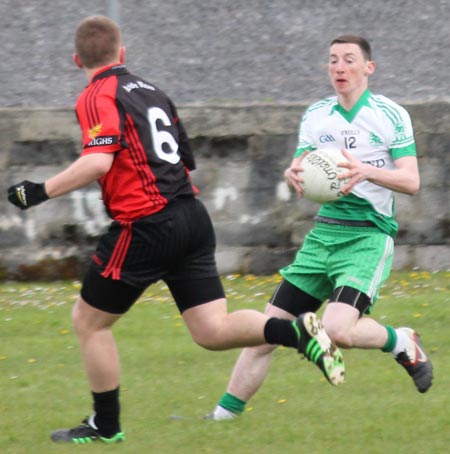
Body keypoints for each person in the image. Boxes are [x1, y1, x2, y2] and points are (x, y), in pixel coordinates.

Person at [6, 16, 345, 444]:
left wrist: (37, 191)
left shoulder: (96, 94)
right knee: (212, 330)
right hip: (191, 215)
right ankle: (295, 332)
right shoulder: (153, 92)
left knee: (89, 322)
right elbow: (181, 159)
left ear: (77, 60)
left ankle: (104, 426)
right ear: (122, 54)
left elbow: (98, 160)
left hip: (147, 224)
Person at [207, 34, 433, 421]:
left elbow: (410, 181)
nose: (339, 68)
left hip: (367, 236)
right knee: (267, 330)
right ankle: (221, 419)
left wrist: (365, 172)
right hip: (323, 235)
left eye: (348, 60)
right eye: (332, 61)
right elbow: (303, 168)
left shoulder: (391, 114)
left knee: (338, 330)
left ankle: (400, 340)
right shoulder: (316, 115)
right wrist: (294, 174)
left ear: (368, 67)